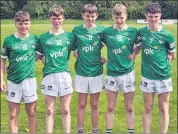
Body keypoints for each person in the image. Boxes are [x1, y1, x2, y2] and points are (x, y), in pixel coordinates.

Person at [130, 3, 176, 133]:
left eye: (156, 16)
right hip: (147, 76)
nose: (153, 19)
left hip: (163, 76)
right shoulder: (142, 32)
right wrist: (134, 53)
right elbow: (138, 46)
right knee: (148, 108)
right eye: (151, 16)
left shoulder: (167, 35)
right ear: (146, 16)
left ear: (160, 15)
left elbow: (173, 54)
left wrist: (170, 57)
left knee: (163, 108)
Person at [36, 5, 74, 133]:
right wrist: (13, 66)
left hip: (64, 75)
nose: (57, 21)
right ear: (49, 19)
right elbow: (37, 55)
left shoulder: (69, 37)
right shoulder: (43, 38)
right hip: (49, 76)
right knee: (49, 110)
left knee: (66, 109)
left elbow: (80, 51)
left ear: (63, 18)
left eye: (59, 18)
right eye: (54, 19)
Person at [0, 11, 38, 133]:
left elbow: (39, 55)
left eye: (26, 23)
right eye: (20, 23)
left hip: (30, 80)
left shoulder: (34, 39)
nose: (24, 26)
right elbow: (2, 60)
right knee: (13, 114)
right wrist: (1, 79)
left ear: (30, 23)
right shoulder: (8, 40)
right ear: (15, 24)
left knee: (31, 113)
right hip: (13, 81)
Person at [102, 4, 137, 133]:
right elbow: (96, 45)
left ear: (126, 16)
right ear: (113, 17)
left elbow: (140, 45)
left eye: (121, 17)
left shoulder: (133, 31)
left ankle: (131, 131)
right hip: (112, 73)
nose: (119, 21)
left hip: (128, 73)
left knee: (129, 107)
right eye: (116, 17)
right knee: (110, 107)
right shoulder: (106, 32)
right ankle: (108, 131)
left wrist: (135, 53)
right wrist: (98, 57)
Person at [72, 3, 106, 133]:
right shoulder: (76, 30)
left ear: (96, 15)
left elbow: (108, 44)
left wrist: (100, 57)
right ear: (82, 15)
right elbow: (71, 45)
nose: (90, 19)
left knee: (94, 104)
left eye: (92, 16)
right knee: (81, 104)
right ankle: (80, 130)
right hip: (81, 72)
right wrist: (75, 51)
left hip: (96, 72)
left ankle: (95, 130)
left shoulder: (101, 31)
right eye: (87, 16)